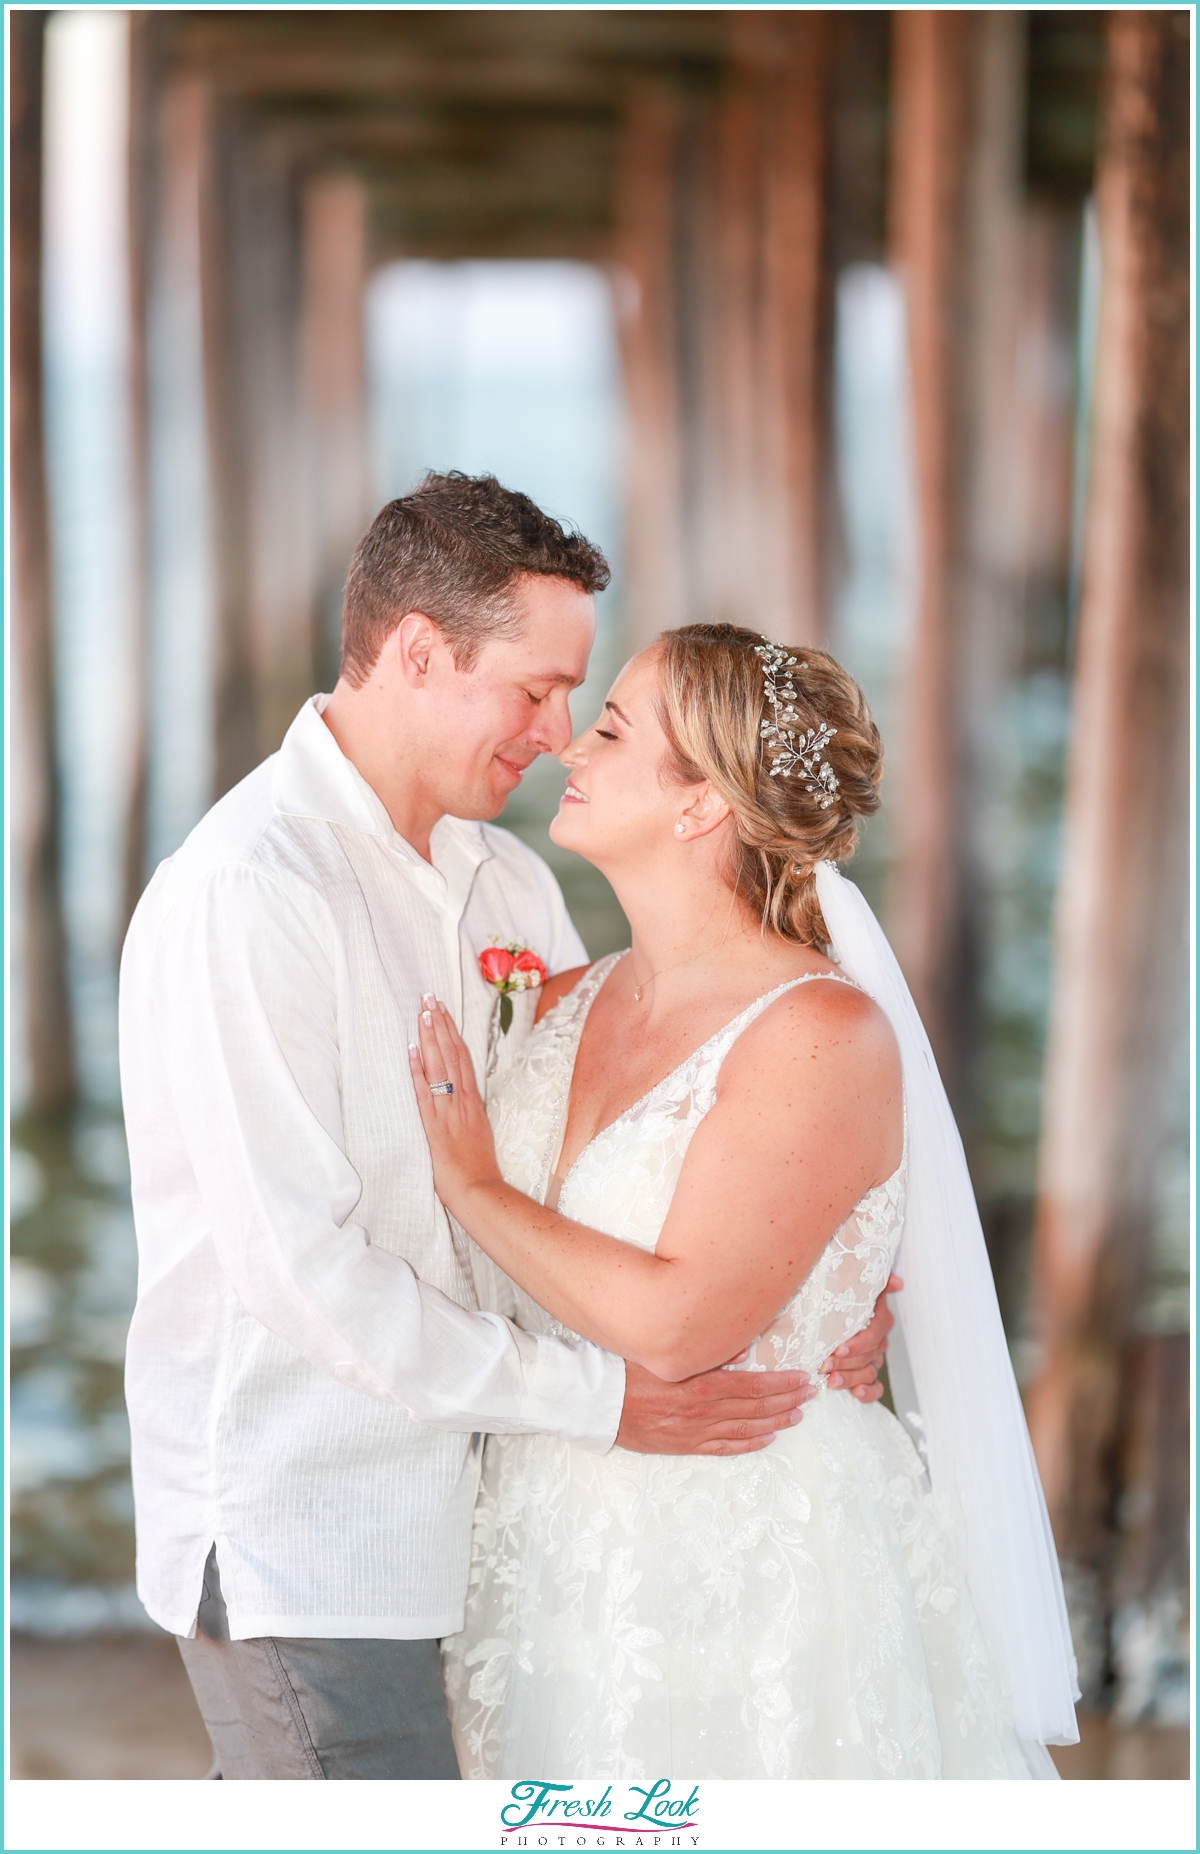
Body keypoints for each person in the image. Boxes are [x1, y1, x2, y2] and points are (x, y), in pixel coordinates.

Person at [119, 475, 891, 1781]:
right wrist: (606, 1399)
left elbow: (632, 1142)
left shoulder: (509, 876)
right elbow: (308, 1281)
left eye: (577, 698)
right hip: (317, 1540)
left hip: (485, 1534)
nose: (556, 732)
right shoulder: (250, 893)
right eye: (534, 689)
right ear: (418, 651)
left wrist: (827, 1281)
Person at [412, 622, 1081, 1780]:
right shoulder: (559, 999)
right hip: (539, 1545)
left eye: (614, 730)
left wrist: (470, 1182)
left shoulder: (820, 1035)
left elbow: (683, 1325)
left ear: (700, 806)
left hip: (743, 1561)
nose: (571, 747)